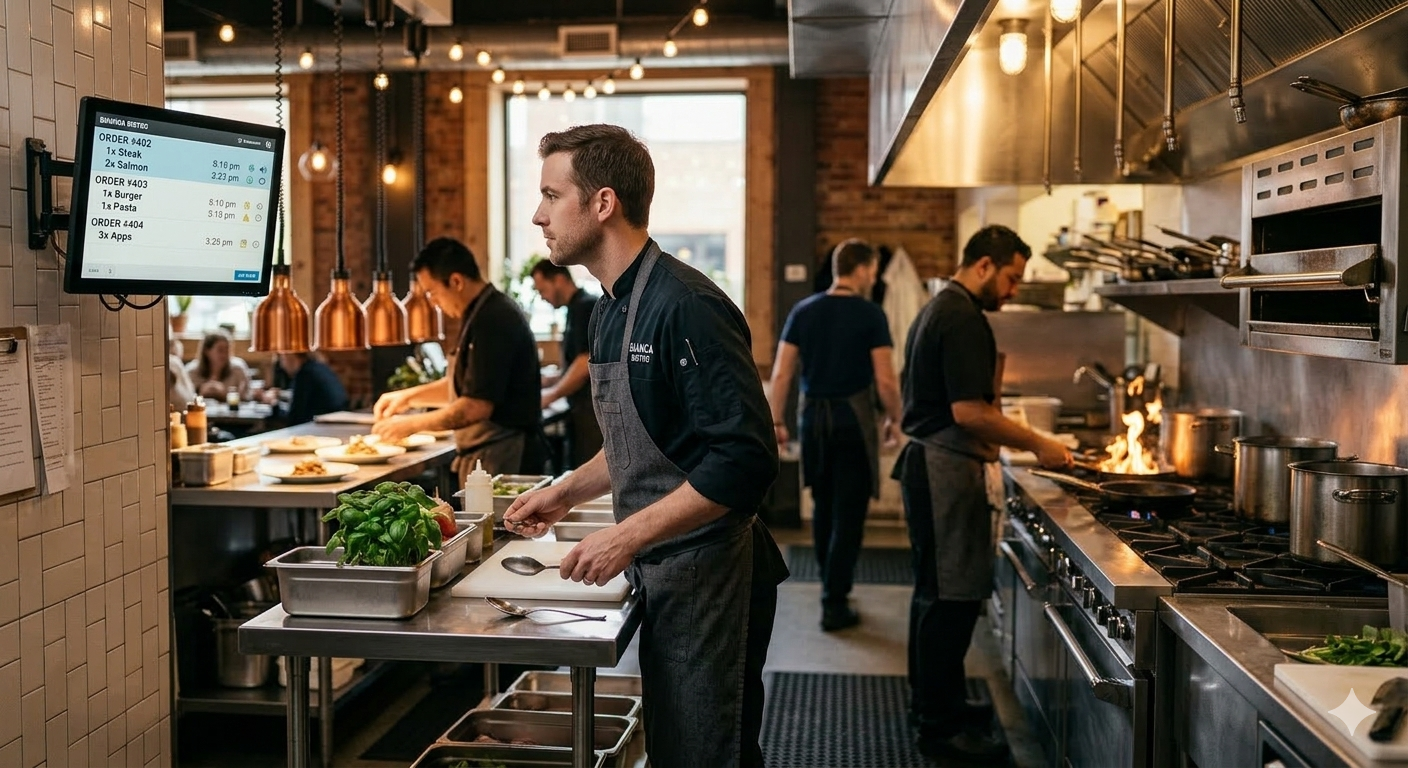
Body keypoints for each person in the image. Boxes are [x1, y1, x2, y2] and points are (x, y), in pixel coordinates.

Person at [504, 124, 788, 768]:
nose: (538, 214)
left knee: (704, 753)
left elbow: (744, 461)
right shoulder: (609, 309)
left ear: (603, 203)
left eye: (552, 195)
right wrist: (564, 493)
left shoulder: (686, 305)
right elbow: (643, 444)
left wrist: (625, 535)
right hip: (665, 570)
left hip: (711, 573)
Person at [896, 224, 1073, 762]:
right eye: (1012, 278)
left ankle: (935, 704)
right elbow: (968, 412)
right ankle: (940, 728)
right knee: (948, 600)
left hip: (933, 465)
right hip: (943, 468)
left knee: (936, 596)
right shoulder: (961, 316)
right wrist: (1039, 443)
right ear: (984, 266)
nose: (1014, 290)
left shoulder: (941, 307)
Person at [768, 239, 902, 632]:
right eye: (873, 271)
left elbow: (781, 373)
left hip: (814, 423)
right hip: (853, 422)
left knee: (824, 506)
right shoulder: (870, 314)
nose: (874, 278)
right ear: (860, 269)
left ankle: (831, 587)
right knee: (850, 512)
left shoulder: (804, 311)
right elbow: (885, 380)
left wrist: (776, 421)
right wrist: (895, 417)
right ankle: (834, 599)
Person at [372, 237, 543, 481]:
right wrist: (407, 398)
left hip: (504, 456)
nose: (433, 302)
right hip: (489, 454)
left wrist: (408, 425)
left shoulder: (492, 319)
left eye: (432, 292)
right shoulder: (479, 312)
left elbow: (475, 407)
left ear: (456, 281)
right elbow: (467, 385)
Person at [531, 259, 603, 468]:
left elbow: (585, 362)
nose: (542, 297)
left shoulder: (585, 306)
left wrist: (551, 395)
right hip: (580, 411)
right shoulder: (574, 308)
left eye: (542, 289)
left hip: (592, 414)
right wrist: (552, 379)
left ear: (560, 280)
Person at [261, 352, 348, 426]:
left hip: (317, 427)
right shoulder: (319, 367)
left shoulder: (304, 374)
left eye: (282, 359)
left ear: (290, 357)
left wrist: (273, 404)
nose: (282, 365)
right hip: (334, 422)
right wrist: (280, 394)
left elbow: (294, 417)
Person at [186, 331, 252, 402]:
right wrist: (200, 393)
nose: (224, 354)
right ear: (207, 351)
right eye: (220, 350)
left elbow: (247, 396)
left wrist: (226, 394)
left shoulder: (238, 369)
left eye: (227, 350)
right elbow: (185, 398)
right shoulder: (192, 371)